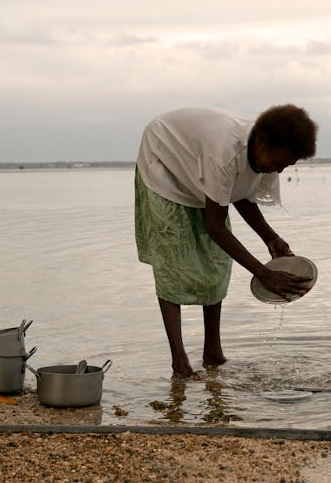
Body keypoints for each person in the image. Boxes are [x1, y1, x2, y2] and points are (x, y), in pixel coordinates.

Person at [134, 104, 317, 379]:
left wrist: (271, 238)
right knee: (173, 263)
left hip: (198, 165)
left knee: (216, 262)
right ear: (263, 141)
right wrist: (263, 273)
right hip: (165, 161)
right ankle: (180, 363)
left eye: (286, 166)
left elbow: (241, 193)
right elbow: (216, 227)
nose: (278, 171)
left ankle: (213, 353)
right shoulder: (224, 152)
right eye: (278, 164)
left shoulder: (264, 153)